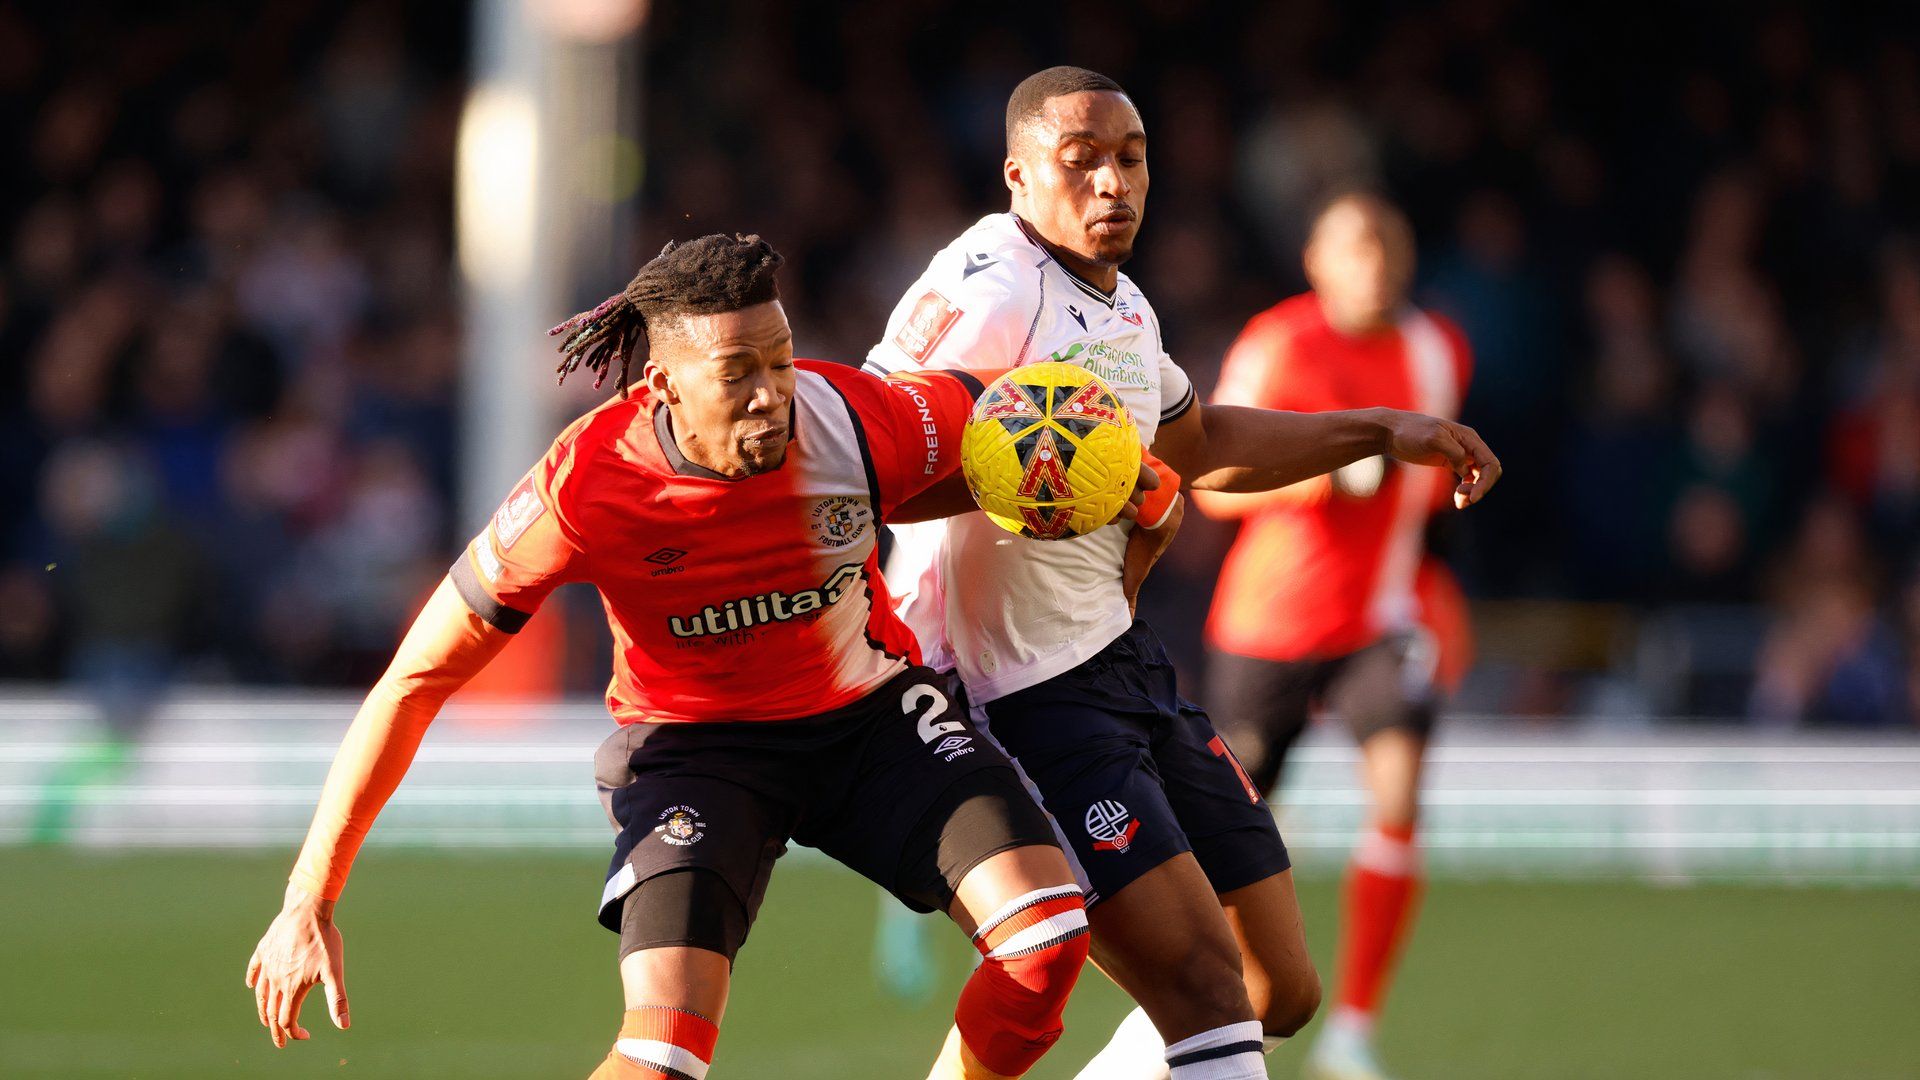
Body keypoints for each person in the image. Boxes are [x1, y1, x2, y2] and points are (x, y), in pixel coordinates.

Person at [243, 234, 1109, 1080]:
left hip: (872, 721)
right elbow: (414, 680)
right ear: (663, 385)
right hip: (699, 752)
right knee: (663, 1054)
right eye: (738, 374)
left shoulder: (851, 415)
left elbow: (1029, 414)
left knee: (1045, 938)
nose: (774, 394)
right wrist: (309, 897)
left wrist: (1126, 468)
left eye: (782, 360)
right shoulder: (584, 485)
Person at [866, 69, 1501, 1080]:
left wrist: (1385, 428)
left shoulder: (1121, 308)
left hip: (1122, 664)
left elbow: (1199, 443)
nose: (1113, 183)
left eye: (1131, 157)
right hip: (1013, 689)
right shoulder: (988, 289)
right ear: (1018, 174)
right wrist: (1040, 476)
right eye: (1083, 163)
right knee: (1202, 990)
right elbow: (878, 455)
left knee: (1273, 988)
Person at [1193, 193, 1475, 1080]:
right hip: (1267, 627)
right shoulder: (1278, 345)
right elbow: (1210, 488)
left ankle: (1353, 1031)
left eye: (1390, 241)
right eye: (1357, 245)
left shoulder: (1435, 352)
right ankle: (1204, 1019)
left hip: (1378, 621)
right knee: (1229, 843)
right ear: (1315, 261)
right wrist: (1315, 483)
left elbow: (1427, 499)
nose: (1377, 261)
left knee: (1398, 791)